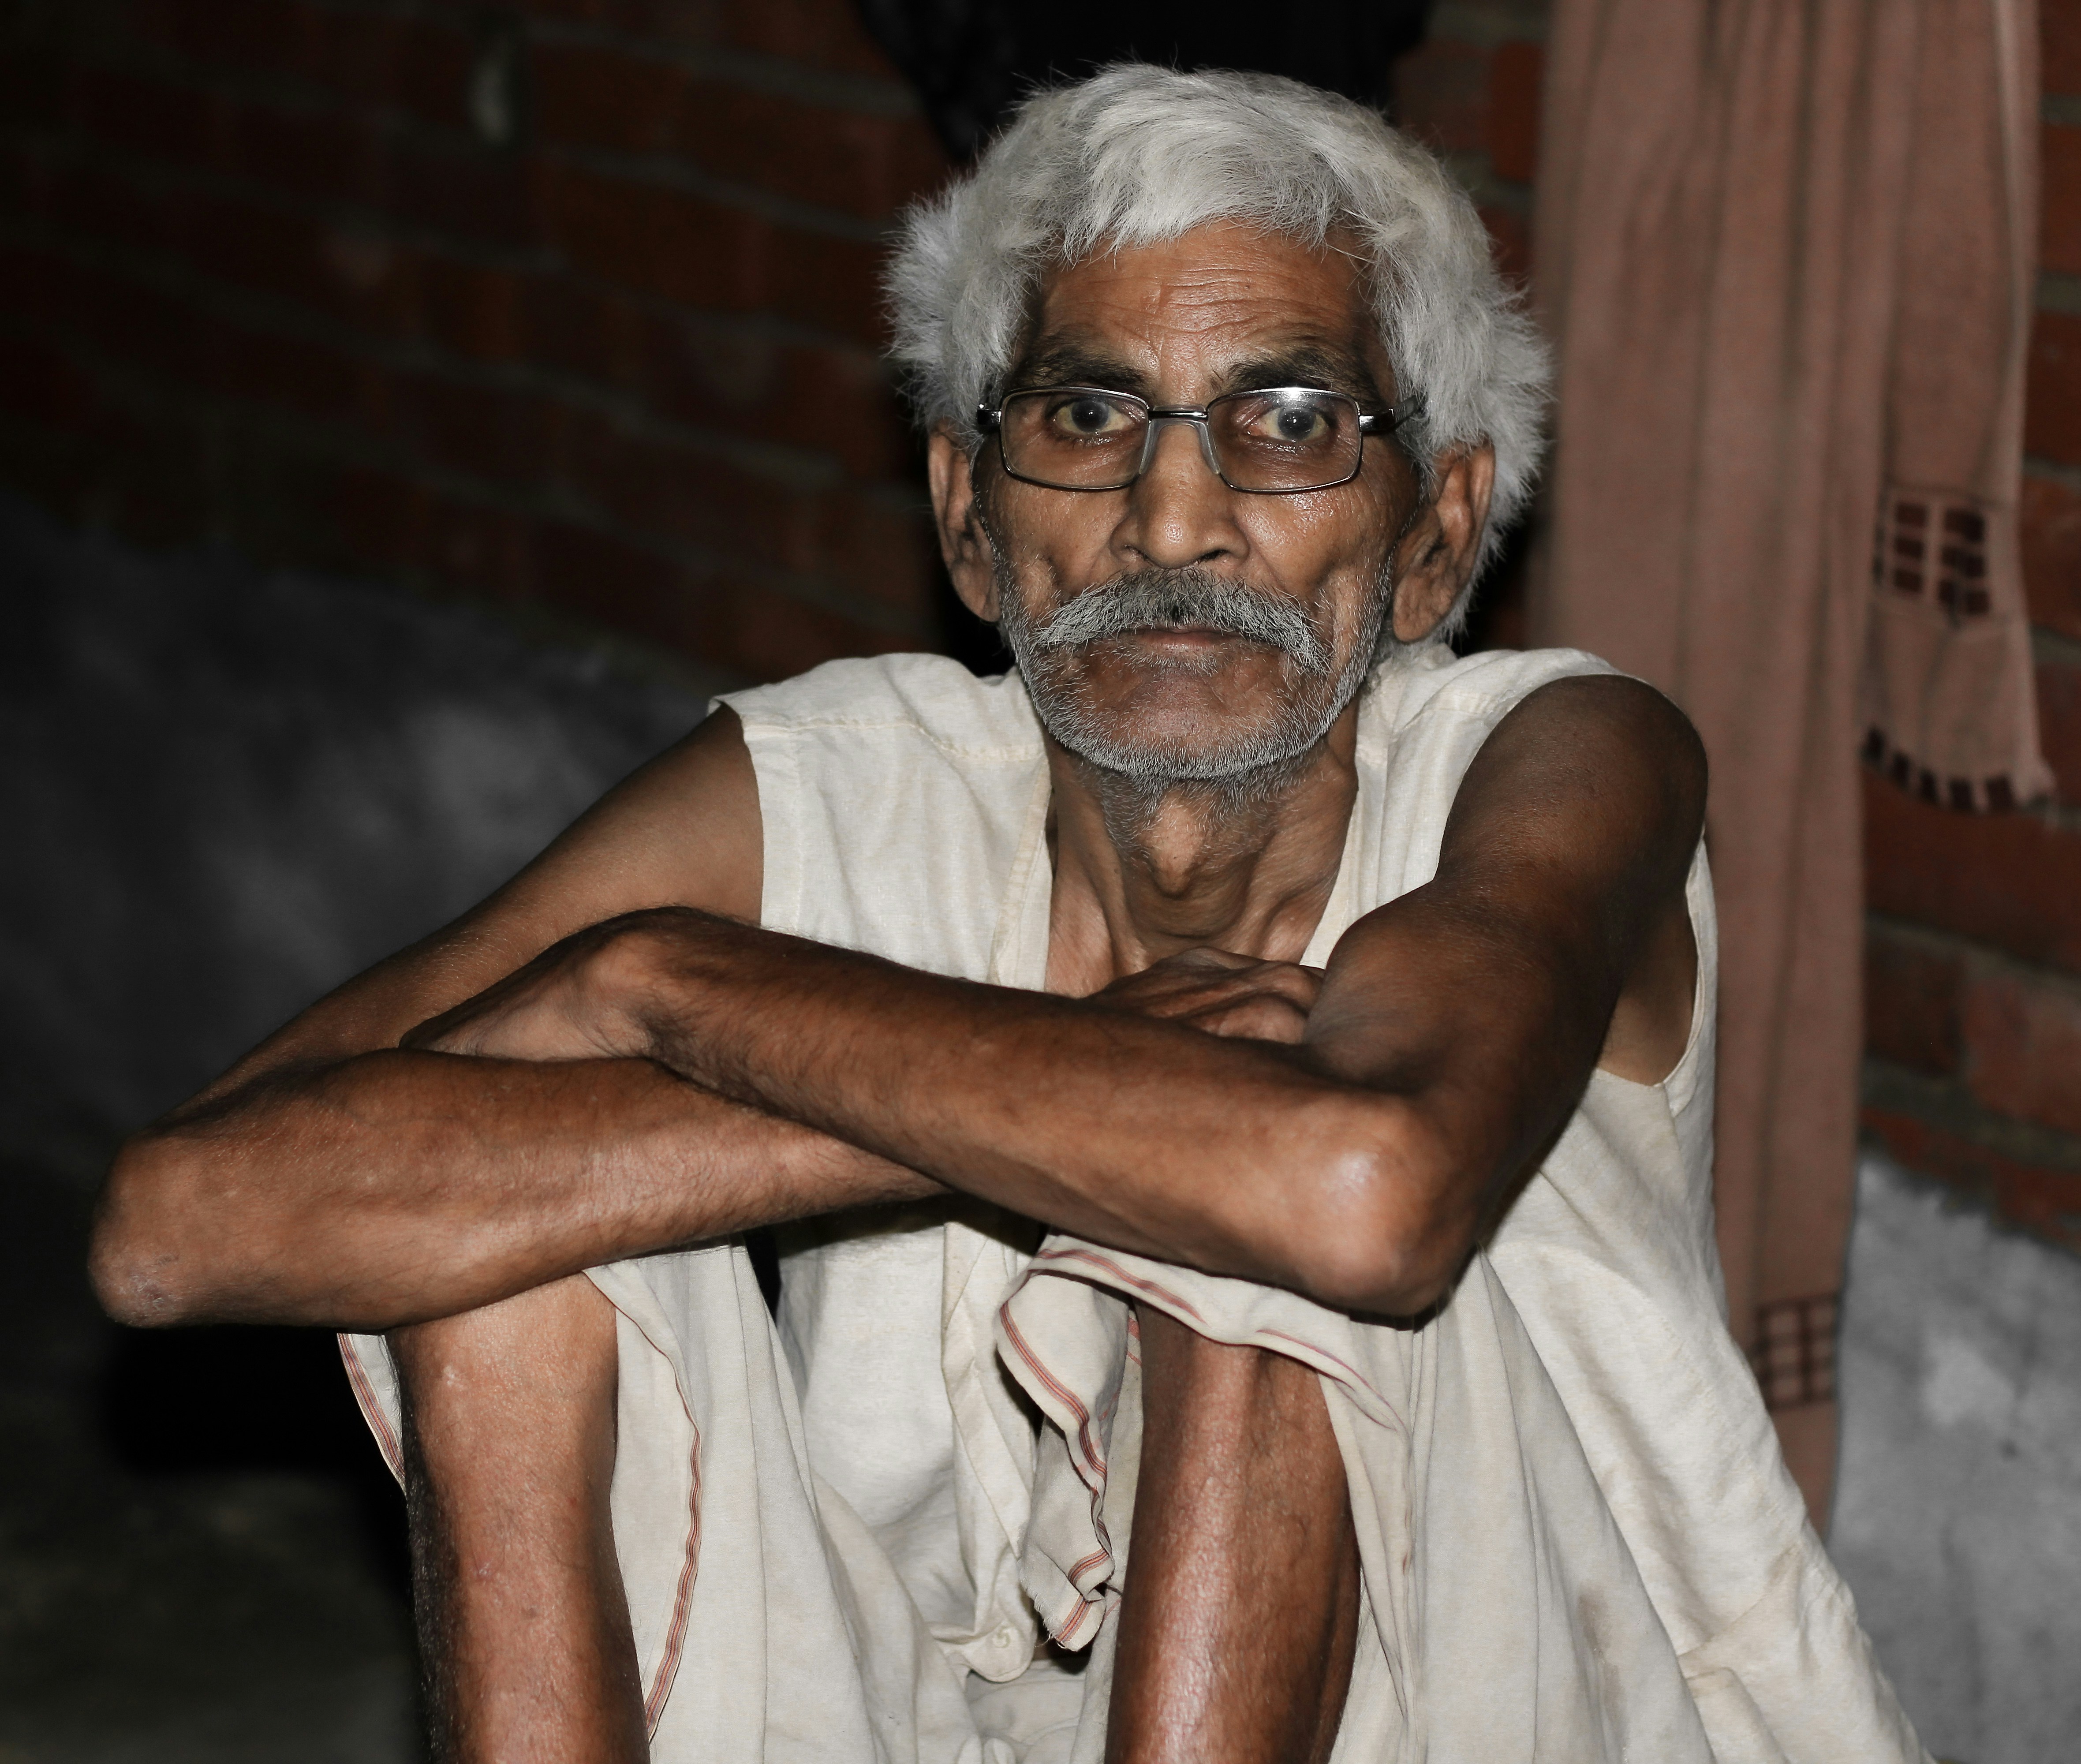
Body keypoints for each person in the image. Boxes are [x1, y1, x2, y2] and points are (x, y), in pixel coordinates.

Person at [90, 65, 1928, 1764]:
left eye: (1290, 421)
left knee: (1244, 1201)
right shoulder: (853, 777)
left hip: (1503, 1715)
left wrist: (666, 991)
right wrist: (876, 1049)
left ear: (1437, 534)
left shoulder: (1559, 756)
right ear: (970, 519)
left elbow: (1364, 1193)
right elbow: (178, 1227)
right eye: (1087, 414)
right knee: (497, 1220)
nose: (1173, 518)